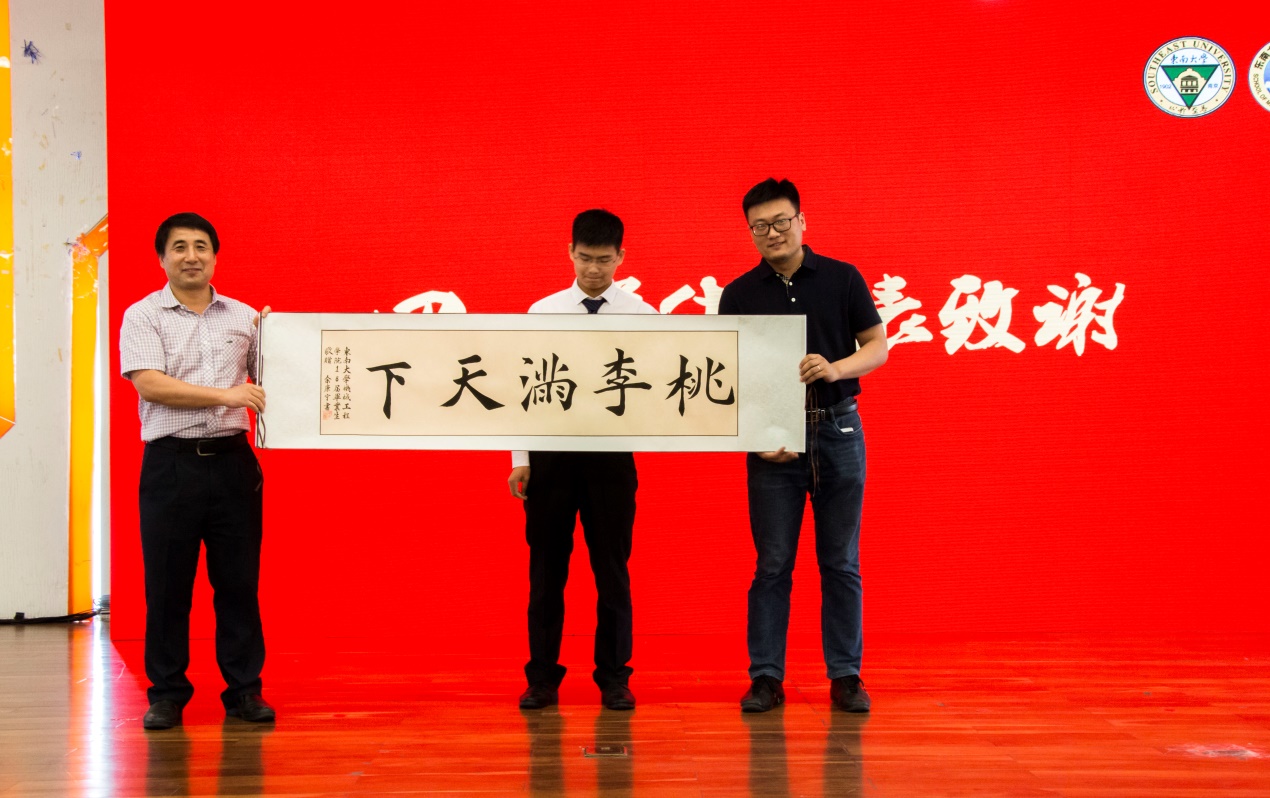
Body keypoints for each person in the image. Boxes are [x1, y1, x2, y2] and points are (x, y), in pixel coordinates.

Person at [719, 179, 888, 714]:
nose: (772, 233)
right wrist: (754, 437)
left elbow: (877, 346)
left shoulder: (842, 277)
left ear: (801, 221)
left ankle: (846, 677)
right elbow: (729, 376)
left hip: (838, 429)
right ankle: (766, 678)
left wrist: (835, 368)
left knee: (840, 561)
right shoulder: (739, 294)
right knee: (772, 564)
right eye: (759, 227)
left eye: (780, 221)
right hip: (773, 441)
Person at [120, 212, 275, 730]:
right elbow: (150, 383)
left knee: (238, 583)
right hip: (171, 465)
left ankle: (245, 691)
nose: (192, 256)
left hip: (233, 465)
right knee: (168, 587)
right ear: (162, 258)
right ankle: (167, 694)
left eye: (201, 246)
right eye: (180, 247)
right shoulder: (143, 315)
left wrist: (288, 338)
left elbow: (278, 375)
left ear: (215, 256)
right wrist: (226, 396)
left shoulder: (246, 318)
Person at [507, 209, 657, 711]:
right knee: (546, 570)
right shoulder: (542, 312)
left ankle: (614, 676)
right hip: (551, 455)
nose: (594, 269)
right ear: (570, 253)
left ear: (622, 257)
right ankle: (542, 678)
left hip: (611, 456)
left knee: (612, 569)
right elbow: (523, 388)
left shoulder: (643, 316)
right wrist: (521, 455)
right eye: (585, 258)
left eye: (604, 260)